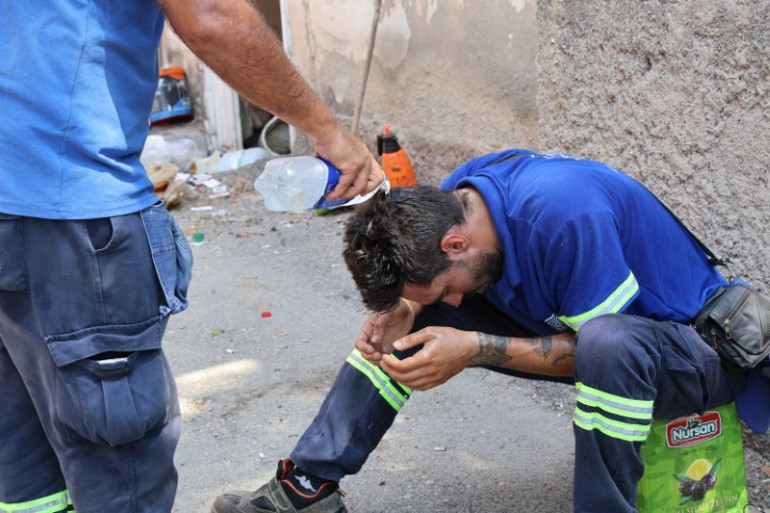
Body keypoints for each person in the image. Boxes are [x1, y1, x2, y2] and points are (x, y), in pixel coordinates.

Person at [211, 148, 765, 513]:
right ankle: (306, 486)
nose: (454, 303)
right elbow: (434, 294)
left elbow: (603, 355)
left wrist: (475, 347)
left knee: (606, 341)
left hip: (697, 354)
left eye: (449, 287)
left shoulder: (564, 217)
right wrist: (405, 309)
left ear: (455, 243)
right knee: (399, 331)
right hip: (602, 339)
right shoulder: (459, 197)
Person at [0, 1, 382, 512]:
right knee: (122, 466)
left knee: (23, 450)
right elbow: (211, 16)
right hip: (70, 208)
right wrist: (329, 133)